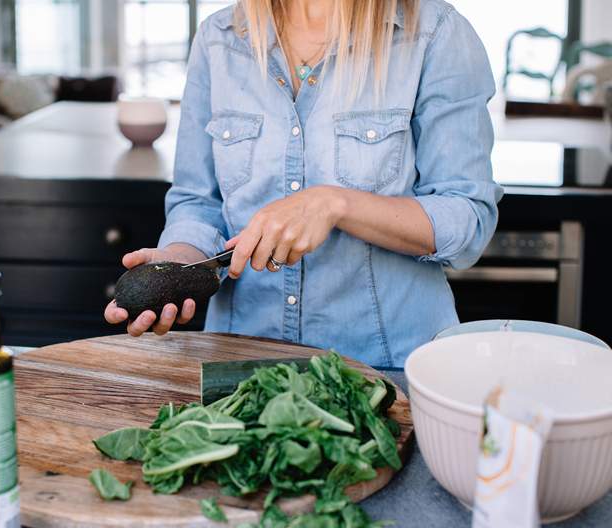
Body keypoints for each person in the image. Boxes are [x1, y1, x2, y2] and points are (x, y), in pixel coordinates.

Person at [105, 0, 502, 367]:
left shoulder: (433, 33)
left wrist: (334, 204)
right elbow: (198, 202)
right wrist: (179, 260)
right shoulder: (218, 38)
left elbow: (467, 219)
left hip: (388, 369)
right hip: (244, 367)